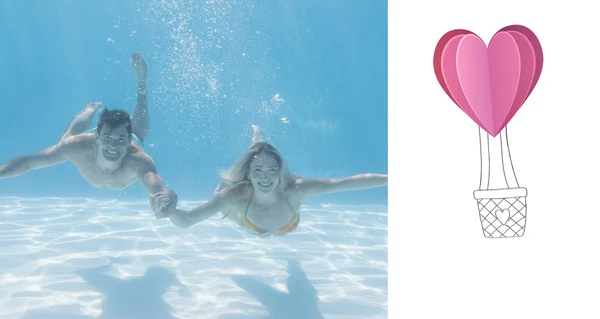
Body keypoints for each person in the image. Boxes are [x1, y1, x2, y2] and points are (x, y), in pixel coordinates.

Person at [0, 53, 177, 218]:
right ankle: (90, 110)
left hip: (123, 137)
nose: (113, 146)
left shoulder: (139, 160)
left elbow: (159, 187)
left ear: (128, 141)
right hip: (85, 142)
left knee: (139, 131)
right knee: (68, 138)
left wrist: (168, 199)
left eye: (121, 140)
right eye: (107, 138)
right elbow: (30, 162)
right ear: (96, 137)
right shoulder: (76, 147)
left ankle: (142, 90)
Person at [156, 125, 387, 237]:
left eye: (271, 170)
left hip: (287, 226)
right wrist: (167, 209)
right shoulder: (235, 194)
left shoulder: (295, 189)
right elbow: (186, 220)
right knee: (221, 195)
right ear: (249, 174)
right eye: (257, 170)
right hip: (250, 224)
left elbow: (349, 182)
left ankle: (257, 142)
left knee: (270, 229)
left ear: (280, 171)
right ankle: (255, 143)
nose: (265, 177)